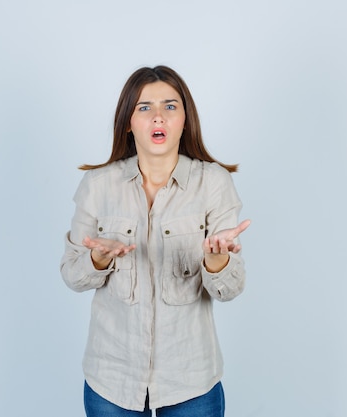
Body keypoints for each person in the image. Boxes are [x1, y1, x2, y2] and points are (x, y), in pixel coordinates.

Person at [60, 65, 251, 417]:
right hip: (111, 380)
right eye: (145, 108)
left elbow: (231, 288)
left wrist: (216, 260)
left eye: (170, 106)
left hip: (192, 382)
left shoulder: (214, 184)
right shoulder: (97, 186)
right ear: (128, 122)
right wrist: (98, 260)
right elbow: (72, 275)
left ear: (184, 119)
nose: (158, 117)